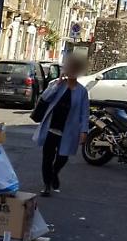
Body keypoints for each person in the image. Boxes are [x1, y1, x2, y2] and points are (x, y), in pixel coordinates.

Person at [33, 55, 90, 197]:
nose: (71, 71)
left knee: (62, 157)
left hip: (68, 131)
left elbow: (84, 113)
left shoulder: (82, 92)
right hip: (51, 127)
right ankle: (47, 185)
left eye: (74, 69)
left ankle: (54, 172)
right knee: (47, 157)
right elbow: (45, 97)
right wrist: (58, 83)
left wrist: (84, 131)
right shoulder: (56, 85)